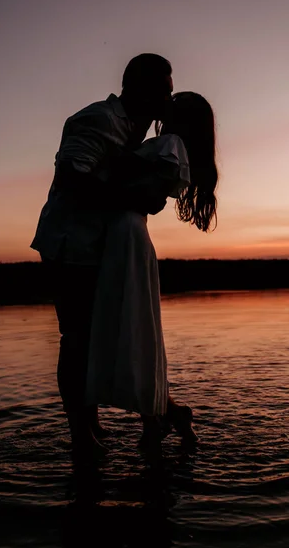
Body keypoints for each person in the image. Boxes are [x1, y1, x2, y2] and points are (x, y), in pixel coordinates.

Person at [30, 54, 174, 461]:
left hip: (100, 249)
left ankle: (91, 425)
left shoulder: (135, 133)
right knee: (75, 339)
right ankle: (81, 434)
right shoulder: (96, 120)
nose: (168, 99)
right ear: (136, 88)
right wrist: (134, 198)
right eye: (163, 90)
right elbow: (73, 178)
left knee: (93, 340)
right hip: (71, 245)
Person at [85, 91, 218, 457]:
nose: (163, 106)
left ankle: (161, 418)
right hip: (125, 234)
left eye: (170, 105)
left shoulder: (169, 144)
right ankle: (165, 417)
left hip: (126, 236)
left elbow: (134, 182)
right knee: (133, 329)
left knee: (131, 328)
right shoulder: (169, 145)